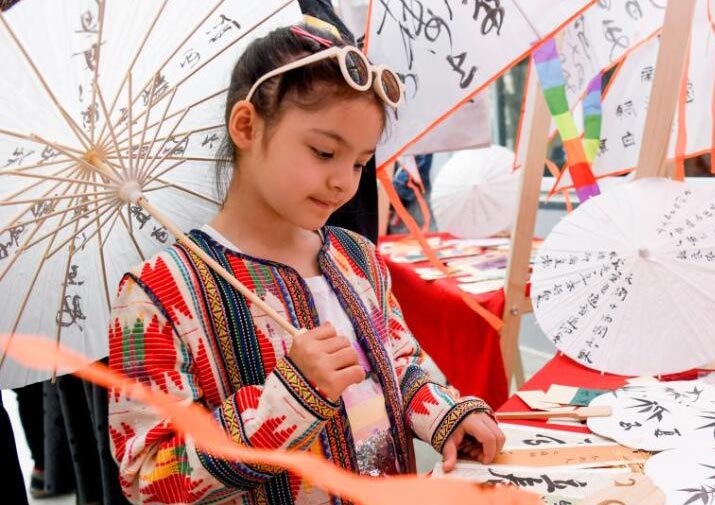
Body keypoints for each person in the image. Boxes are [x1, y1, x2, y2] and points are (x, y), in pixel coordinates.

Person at [107, 22, 504, 504]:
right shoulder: (162, 293)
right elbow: (148, 475)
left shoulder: (356, 258)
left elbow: (399, 366)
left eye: (359, 162)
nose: (343, 183)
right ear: (247, 126)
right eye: (324, 152)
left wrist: (445, 416)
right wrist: (288, 401)